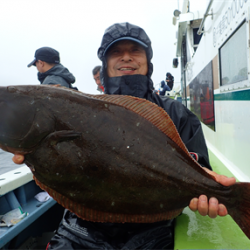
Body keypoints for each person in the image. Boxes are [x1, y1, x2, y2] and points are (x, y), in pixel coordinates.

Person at [13, 23, 236, 250]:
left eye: (135, 51)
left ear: (147, 61)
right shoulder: (81, 110)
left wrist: (205, 183)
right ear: (105, 63)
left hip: (154, 228)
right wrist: (39, 160)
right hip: (84, 226)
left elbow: (197, 162)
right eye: (116, 52)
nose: (126, 57)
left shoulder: (176, 113)